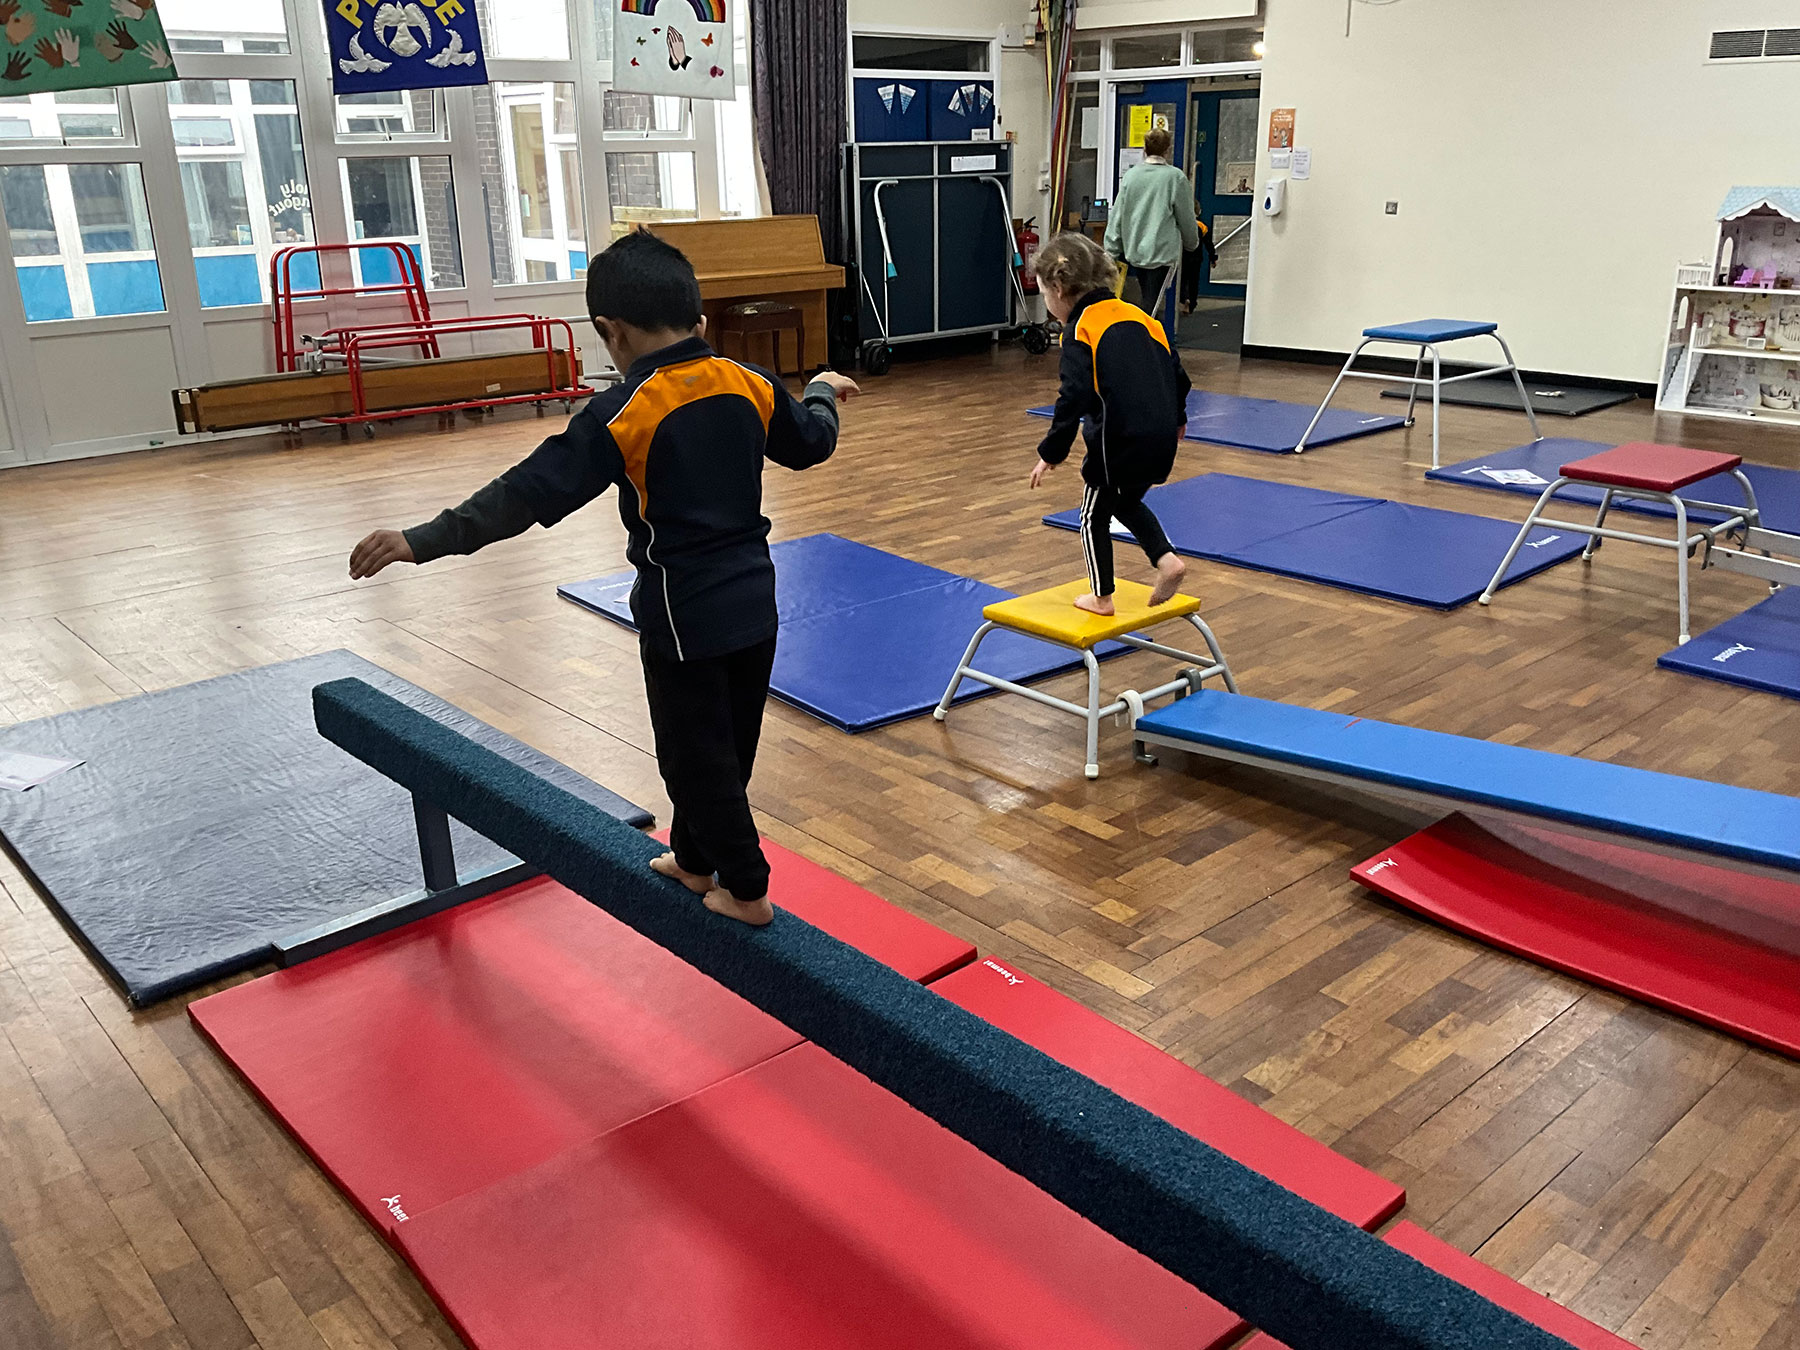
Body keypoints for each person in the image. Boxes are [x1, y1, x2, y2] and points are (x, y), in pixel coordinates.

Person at [346, 230, 858, 926]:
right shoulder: (750, 381)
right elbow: (813, 444)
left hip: (682, 617)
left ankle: (747, 890)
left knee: (693, 759)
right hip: (757, 605)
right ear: (698, 317)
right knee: (726, 749)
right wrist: (822, 391)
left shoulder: (624, 410)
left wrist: (420, 540)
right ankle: (694, 859)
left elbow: (523, 495)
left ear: (609, 330)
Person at [1028, 231, 1189, 617]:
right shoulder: (1141, 317)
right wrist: (1178, 419)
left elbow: (1074, 396)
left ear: (1059, 288)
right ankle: (1167, 560)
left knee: (1092, 515)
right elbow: (1178, 377)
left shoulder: (1081, 329)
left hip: (1119, 441)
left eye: (1045, 295)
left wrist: (1052, 452)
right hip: (1161, 436)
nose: (1048, 303)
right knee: (1125, 501)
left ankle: (1101, 597)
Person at [1104, 126, 1199, 329]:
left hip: (1135, 251)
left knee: (1146, 301)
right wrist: (1192, 243)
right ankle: (1149, 342)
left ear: (1144, 149)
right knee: (1152, 306)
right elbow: (1186, 217)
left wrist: (1111, 250)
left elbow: (1117, 216)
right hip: (1162, 253)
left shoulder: (1131, 176)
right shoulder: (1175, 178)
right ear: (1168, 150)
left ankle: (1143, 339)